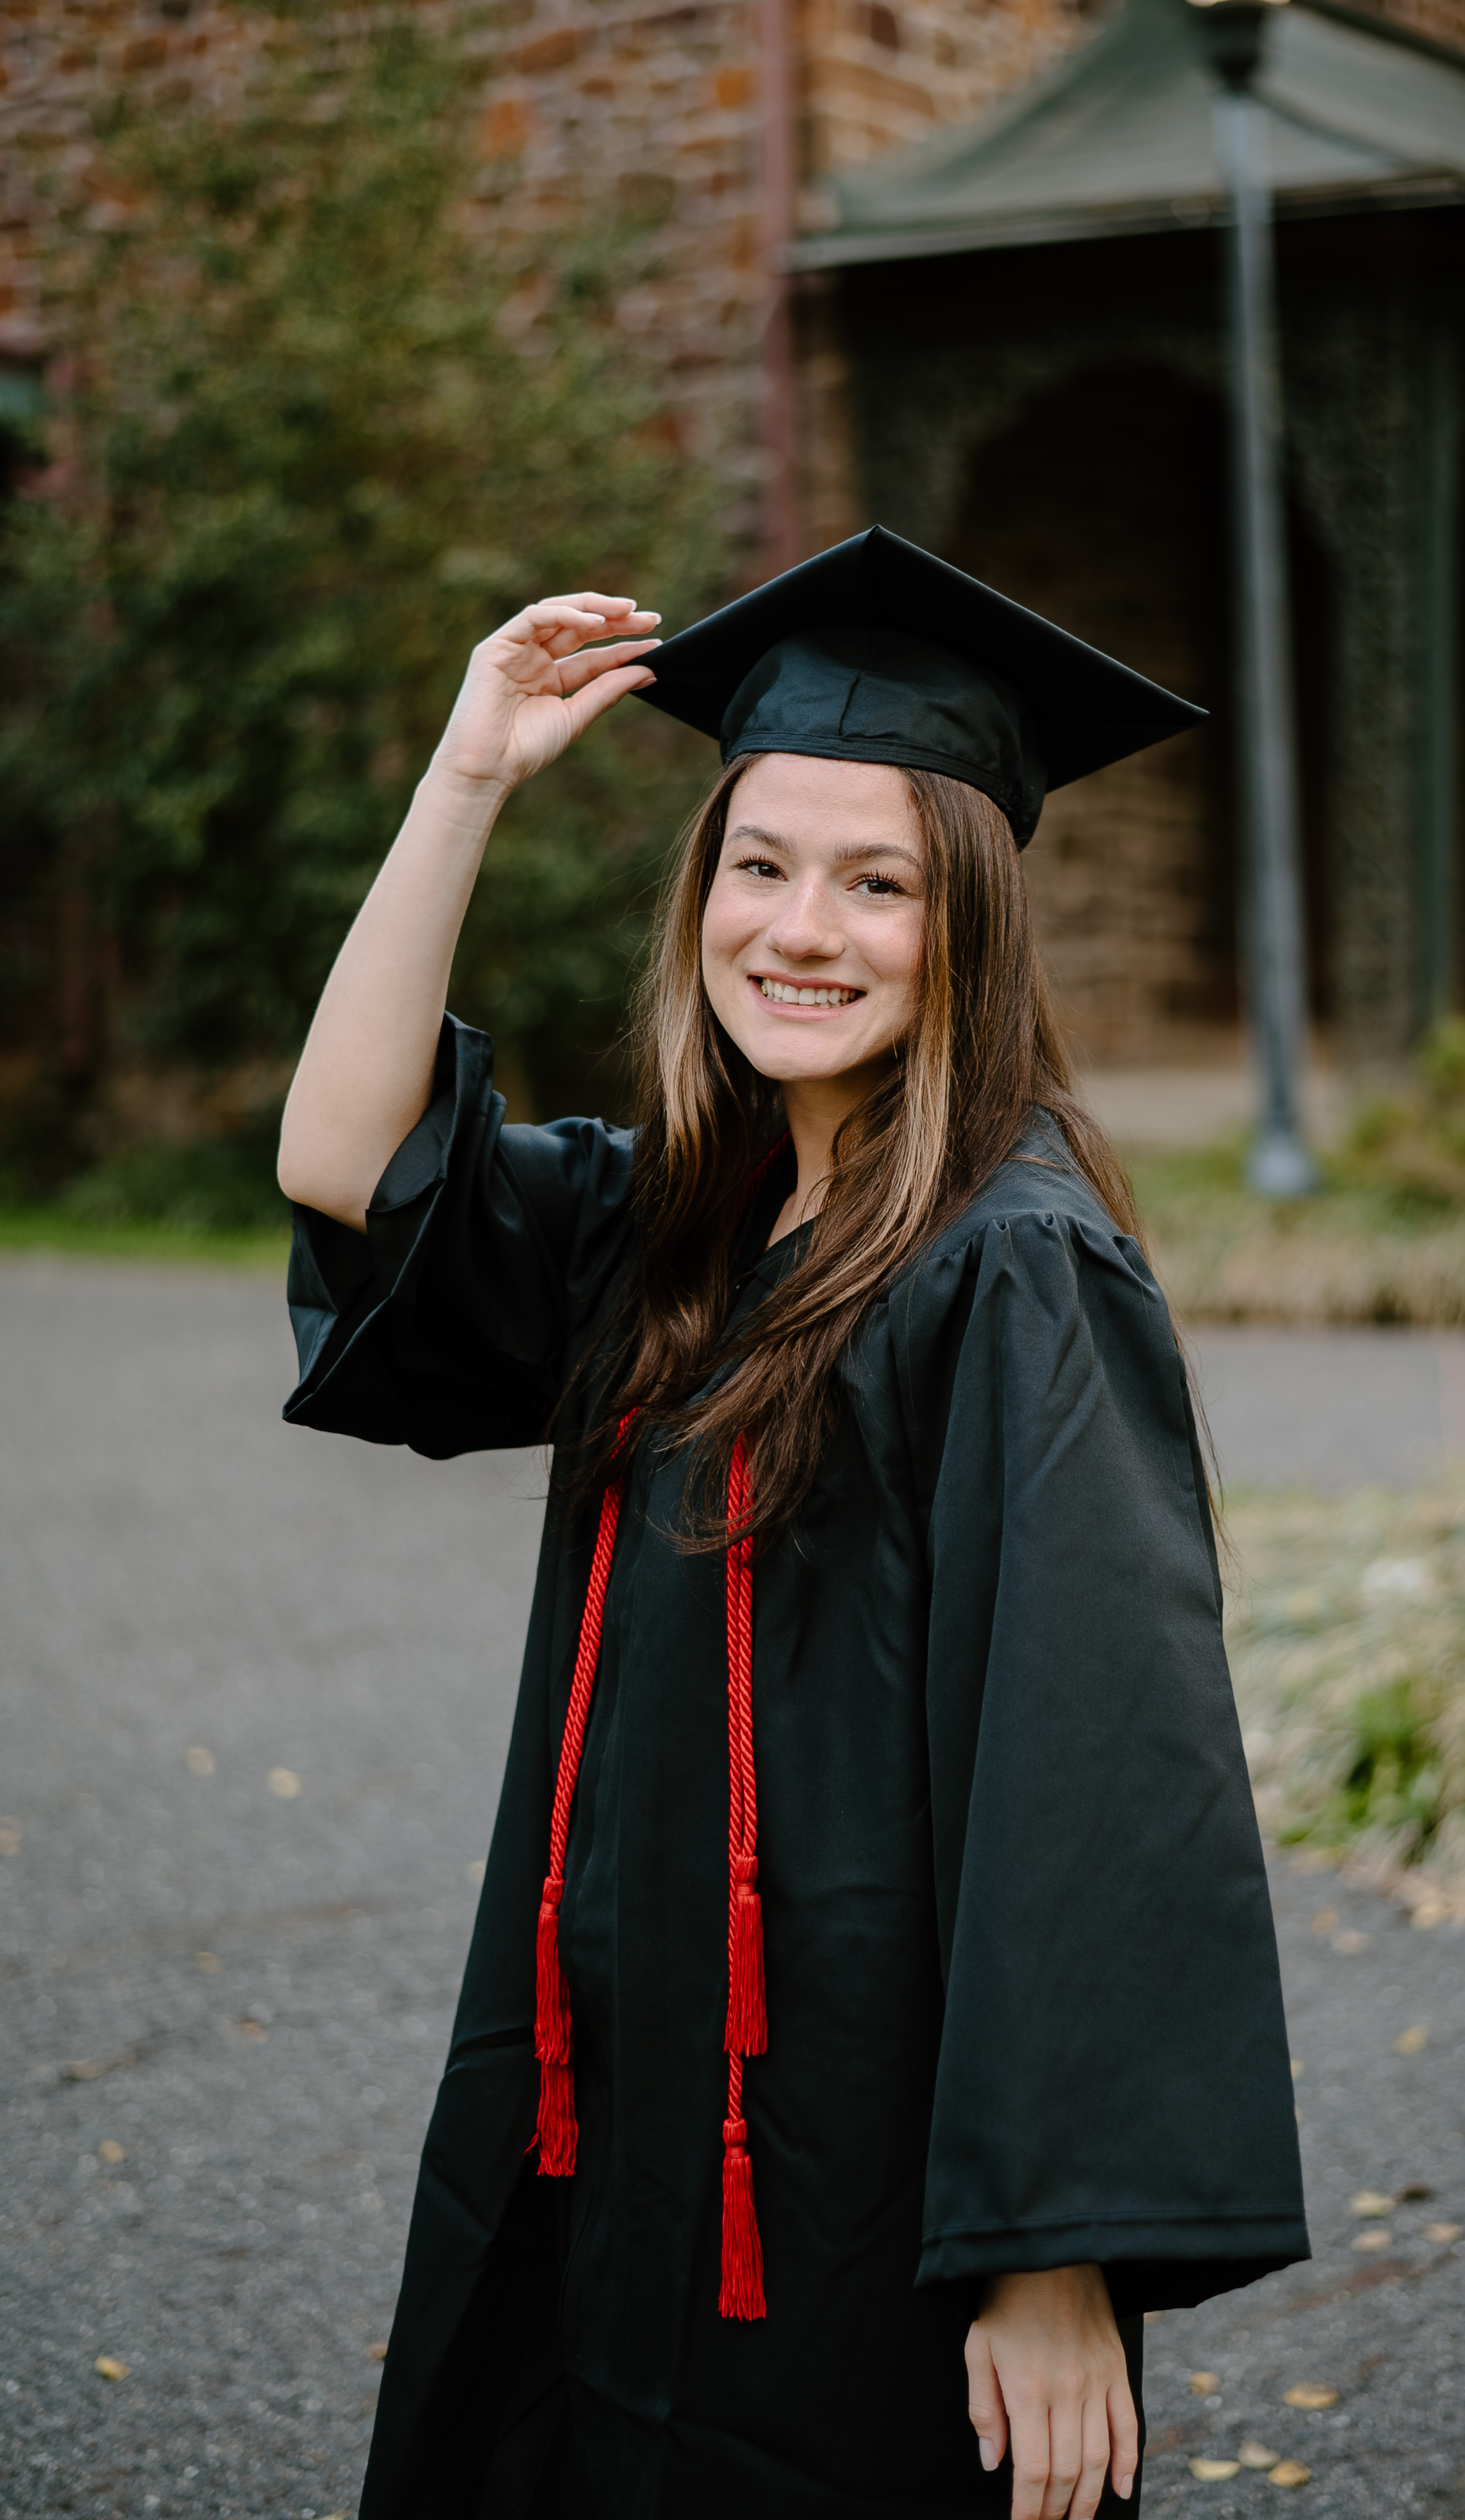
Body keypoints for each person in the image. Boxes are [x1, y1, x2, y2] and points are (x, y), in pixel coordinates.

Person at [278, 528, 1308, 2520]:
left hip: (846, 2164)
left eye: (878, 881)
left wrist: (1045, 2253)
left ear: (970, 924)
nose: (801, 928)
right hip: (605, 2097)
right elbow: (345, 1162)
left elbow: (1094, 1765)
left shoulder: (1016, 1268)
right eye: (759, 865)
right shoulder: (672, 1221)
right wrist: (467, 776)